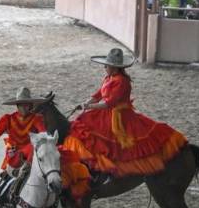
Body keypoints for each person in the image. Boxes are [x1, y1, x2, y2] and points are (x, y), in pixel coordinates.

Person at [62, 49, 187, 179]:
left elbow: (109, 103)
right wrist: (85, 102)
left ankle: (106, 170)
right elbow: (98, 94)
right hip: (106, 111)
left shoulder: (122, 82)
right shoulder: (108, 78)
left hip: (119, 116)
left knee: (103, 137)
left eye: (107, 65)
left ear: (115, 68)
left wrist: (88, 107)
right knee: (82, 122)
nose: (105, 67)